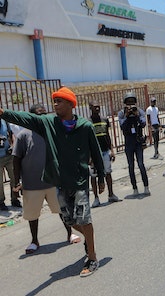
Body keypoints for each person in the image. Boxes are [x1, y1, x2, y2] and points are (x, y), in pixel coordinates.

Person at [0, 87, 103, 277]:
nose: (55, 105)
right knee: (69, 220)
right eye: (54, 101)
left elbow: (96, 153)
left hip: (79, 181)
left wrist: (101, 177)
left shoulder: (85, 126)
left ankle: (92, 256)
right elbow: (25, 118)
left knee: (84, 218)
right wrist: (3, 112)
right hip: (60, 182)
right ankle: (89, 238)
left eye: (59, 101)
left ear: (71, 104)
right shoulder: (48, 123)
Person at [12, 104, 81, 254]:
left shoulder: (53, 132)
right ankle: (34, 240)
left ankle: (70, 233)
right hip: (31, 185)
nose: (43, 117)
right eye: (39, 115)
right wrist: (17, 182)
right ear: (31, 117)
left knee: (63, 210)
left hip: (53, 182)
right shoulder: (24, 135)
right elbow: (16, 160)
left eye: (45, 114)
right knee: (32, 215)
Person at [88, 100, 120, 207]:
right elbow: (87, 140)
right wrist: (89, 156)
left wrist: (112, 150)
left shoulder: (105, 119)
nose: (97, 108)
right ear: (90, 108)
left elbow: (108, 135)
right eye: (94, 107)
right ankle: (96, 198)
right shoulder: (88, 122)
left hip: (105, 151)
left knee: (108, 173)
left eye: (98, 106)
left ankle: (111, 194)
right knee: (93, 176)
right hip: (94, 154)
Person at [118, 92, 150, 196]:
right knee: (131, 166)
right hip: (128, 143)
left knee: (141, 164)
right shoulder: (122, 113)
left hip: (138, 142)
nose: (130, 105)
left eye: (132, 103)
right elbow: (122, 126)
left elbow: (143, 124)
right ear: (125, 103)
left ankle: (146, 187)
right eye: (128, 103)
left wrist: (136, 116)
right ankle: (135, 188)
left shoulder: (139, 111)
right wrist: (127, 116)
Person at [0, 118, 19, 210]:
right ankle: (1, 201)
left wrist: (12, 146)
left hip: (8, 155)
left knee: (14, 178)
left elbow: (11, 135)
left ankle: (15, 199)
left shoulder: (5, 122)